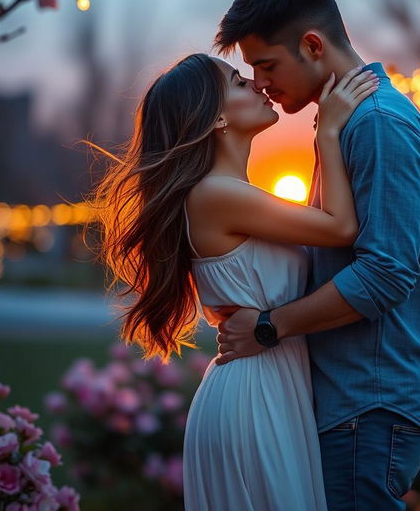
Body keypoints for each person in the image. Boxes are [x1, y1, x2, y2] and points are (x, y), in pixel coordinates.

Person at [87, 50, 378, 510]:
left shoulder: (228, 194)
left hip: (269, 384)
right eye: (240, 82)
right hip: (253, 398)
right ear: (216, 118)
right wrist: (329, 134)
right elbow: (340, 227)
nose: (258, 85)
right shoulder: (216, 194)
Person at [213, 0, 420, 510]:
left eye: (267, 65)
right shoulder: (346, 123)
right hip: (353, 405)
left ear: (313, 47)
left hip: (368, 406)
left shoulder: (379, 126)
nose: (262, 85)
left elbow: (385, 273)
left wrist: (269, 328)